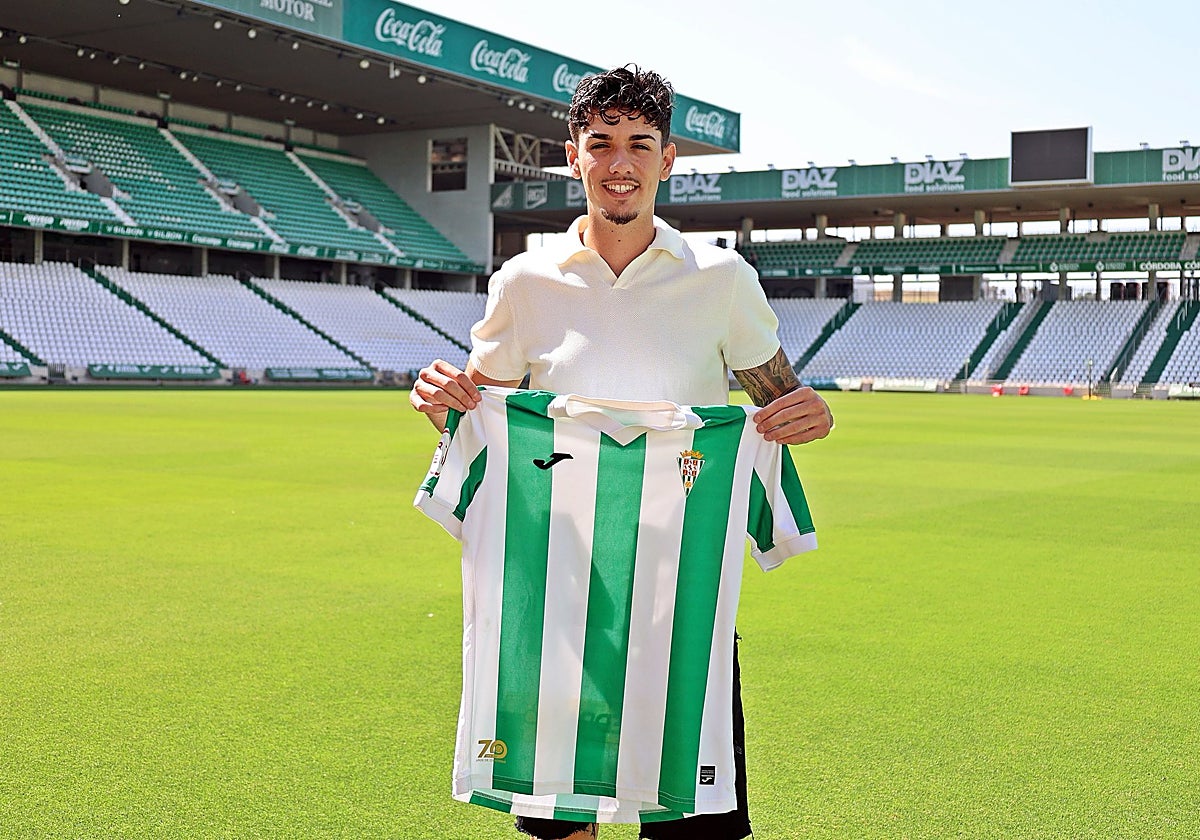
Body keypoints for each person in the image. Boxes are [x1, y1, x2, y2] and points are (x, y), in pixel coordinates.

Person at [410, 64, 833, 840]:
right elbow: (479, 408)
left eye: (640, 144)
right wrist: (438, 398)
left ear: (667, 159)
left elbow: (778, 401)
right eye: (600, 143)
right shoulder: (525, 282)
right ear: (574, 156)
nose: (620, 163)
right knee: (563, 818)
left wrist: (811, 414)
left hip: (684, 596)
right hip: (557, 595)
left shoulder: (722, 278)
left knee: (689, 819)